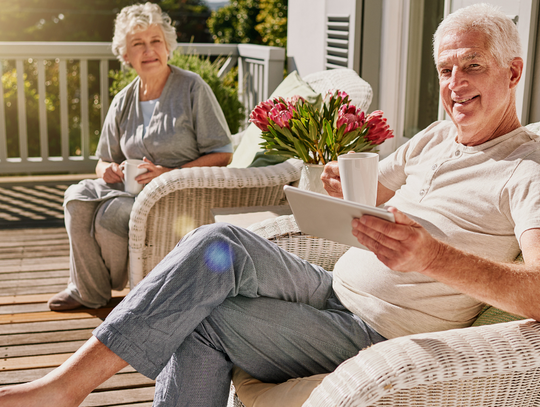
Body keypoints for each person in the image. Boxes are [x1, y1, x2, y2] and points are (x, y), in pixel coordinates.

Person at [2, 3, 540, 406]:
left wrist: (433, 258)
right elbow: (374, 196)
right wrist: (339, 188)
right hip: (331, 285)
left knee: (200, 317)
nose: (455, 85)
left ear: (513, 73)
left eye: (472, 67)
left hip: (377, 326)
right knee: (217, 243)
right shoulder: (436, 137)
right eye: (446, 70)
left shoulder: (527, 169)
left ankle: (65, 389)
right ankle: (64, 387)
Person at [47, 3, 233, 311]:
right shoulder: (124, 99)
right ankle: (88, 290)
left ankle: (113, 287)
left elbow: (222, 154)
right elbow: (103, 160)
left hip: (175, 193)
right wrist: (107, 170)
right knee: (76, 197)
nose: (149, 50)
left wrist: (167, 172)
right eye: (138, 44)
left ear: (167, 46)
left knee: (112, 214)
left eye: (155, 41)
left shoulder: (192, 88)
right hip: (129, 189)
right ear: (126, 56)